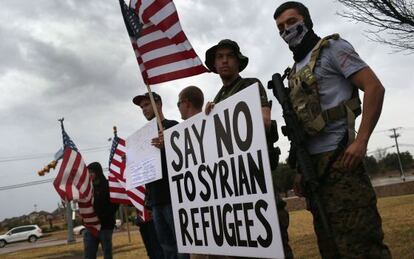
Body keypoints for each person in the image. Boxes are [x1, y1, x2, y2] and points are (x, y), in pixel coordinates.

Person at [273, 2, 391, 258]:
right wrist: (299, 171)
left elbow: (374, 88)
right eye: (280, 27)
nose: (286, 30)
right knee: (330, 248)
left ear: (307, 20)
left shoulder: (332, 49)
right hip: (314, 171)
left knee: (362, 246)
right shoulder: (292, 72)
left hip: (342, 161)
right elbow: (300, 128)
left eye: (292, 22)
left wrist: (361, 141)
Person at [204, 39, 293, 259]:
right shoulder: (217, 99)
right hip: (233, 187)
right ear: (214, 64)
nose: (224, 60)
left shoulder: (250, 86)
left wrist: (227, 116)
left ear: (238, 61)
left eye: (229, 56)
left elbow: (264, 122)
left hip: (256, 177)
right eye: (219, 57)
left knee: (274, 246)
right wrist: (209, 118)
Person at [133, 92, 189, 259]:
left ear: (158, 104)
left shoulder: (172, 126)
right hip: (156, 200)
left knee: (182, 246)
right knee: (166, 247)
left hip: (174, 197)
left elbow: (186, 156)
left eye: (147, 105)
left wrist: (169, 146)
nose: (144, 109)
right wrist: (132, 162)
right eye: (142, 107)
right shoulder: (142, 138)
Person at [84, 162, 119, 259]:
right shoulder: (87, 187)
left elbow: (115, 204)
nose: (89, 174)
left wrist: (103, 216)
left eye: (91, 172)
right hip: (91, 226)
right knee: (89, 253)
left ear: (97, 172)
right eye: (88, 172)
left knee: (107, 254)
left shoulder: (108, 185)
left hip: (105, 226)